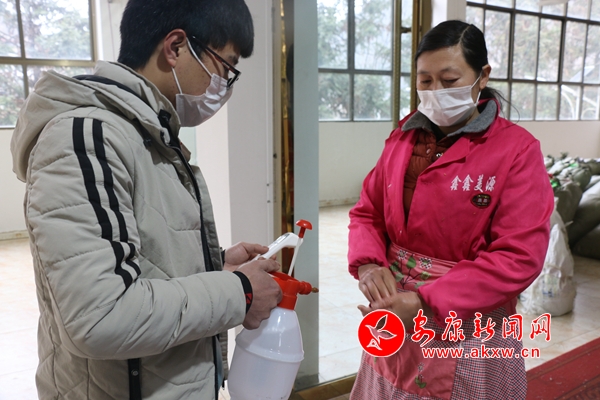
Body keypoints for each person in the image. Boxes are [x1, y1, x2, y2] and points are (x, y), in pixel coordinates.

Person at [10, 0, 282, 399]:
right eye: (224, 67)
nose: (223, 86)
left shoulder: (148, 134)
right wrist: (239, 291)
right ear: (175, 47)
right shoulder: (87, 139)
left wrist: (214, 264)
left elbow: (137, 257)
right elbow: (100, 317)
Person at [348, 20, 553, 399]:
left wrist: (424, 301)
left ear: (482, 76)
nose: (435, 92)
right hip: (395, 311)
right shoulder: (402, 138)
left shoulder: (517, 150)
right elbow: (367, 213)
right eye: (425, 81)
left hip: (468, 321)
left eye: (449, 80)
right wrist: (369, 265)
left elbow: (518, 255)